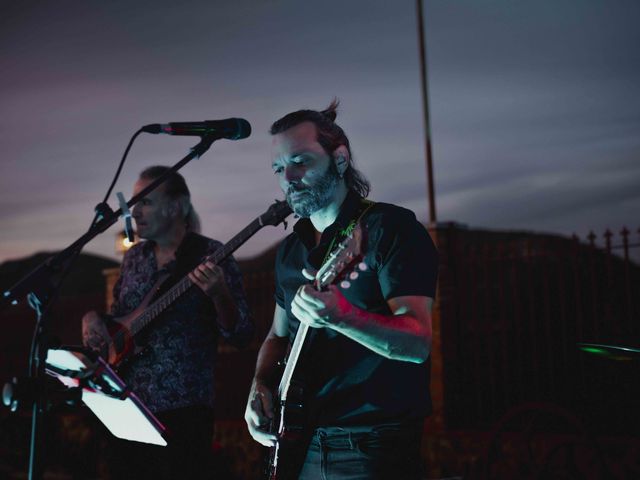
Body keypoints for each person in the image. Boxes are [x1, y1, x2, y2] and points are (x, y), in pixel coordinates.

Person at [244, 100, 438, 479]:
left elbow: (417, 343)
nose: (289, 177)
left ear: (341, 159)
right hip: (299, 438)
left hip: (371, 445)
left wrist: (341, 316)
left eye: (301, 161)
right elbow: (278, 335)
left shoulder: (389, 229)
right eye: (279, 168)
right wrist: (259, 385)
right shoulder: (290, 250)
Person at [82, 165, 253, 480]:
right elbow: (118, 318)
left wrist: (219, 294)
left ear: (178, 206)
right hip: (127, 405)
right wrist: (93, 319)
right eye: (133, 202)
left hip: (183, 411)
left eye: (146, 201)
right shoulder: (134, 258)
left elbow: (240, 334)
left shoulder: (211, 254)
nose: (134, 211)